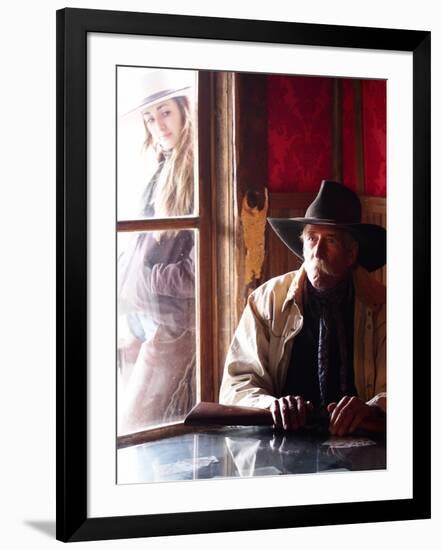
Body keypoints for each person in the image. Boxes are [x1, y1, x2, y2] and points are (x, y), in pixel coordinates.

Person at [219, 180, 386, 436]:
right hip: (282, 439)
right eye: (311, 238)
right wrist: (272, 405)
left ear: (352, 253)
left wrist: (371, 408)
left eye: (330, 240)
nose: (317, 251)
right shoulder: (266, 301)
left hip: (361, 440)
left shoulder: (383, 306)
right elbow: (237, 384)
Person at [118, 69, 196, 433]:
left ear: (183, 110)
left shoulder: (196, 172)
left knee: (134, 427)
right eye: (151, 118)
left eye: (165, 112)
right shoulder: (162, 170)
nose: (159, 126)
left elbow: (196, 272)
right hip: (148, 317)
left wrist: (145, 281)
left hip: (176, 324)